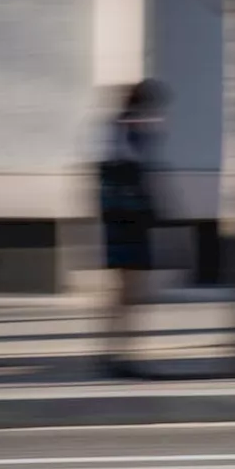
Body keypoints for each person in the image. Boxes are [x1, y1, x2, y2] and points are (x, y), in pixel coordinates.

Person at [97, 78, 168, 379]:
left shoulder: (123, 132)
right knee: (125, 293)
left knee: (125, 293)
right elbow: (126, 177)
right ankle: (116, 353)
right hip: (125, 222)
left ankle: (118, 351)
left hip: (125, 222)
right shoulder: (124, 134)